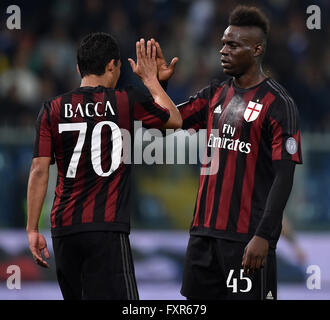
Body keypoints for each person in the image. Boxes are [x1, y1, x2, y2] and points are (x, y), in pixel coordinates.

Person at [154, 5, 303, 300]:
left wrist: (263, 235)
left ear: (257, 49)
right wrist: (160, 86)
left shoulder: (279, 104)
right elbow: (164, 122)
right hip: (202, 237)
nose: (223, 50)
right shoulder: (213, 94)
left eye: (233, 45)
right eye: (223, 43)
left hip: (246, 240)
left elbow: (284, 177)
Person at [26, 32, 182, 300]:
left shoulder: (52, 108)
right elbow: (174, 120)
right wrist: (152, 81)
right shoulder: (125, 100)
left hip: (64, 231)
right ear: (112, 65)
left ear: (78, 68)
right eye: (119, 68)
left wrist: (31, 229)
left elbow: (39, 170)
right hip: (105, 230)